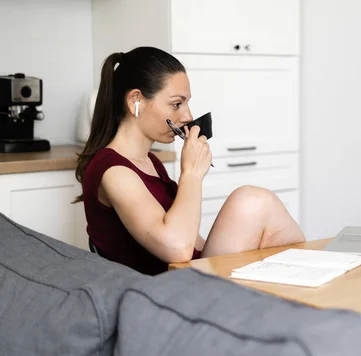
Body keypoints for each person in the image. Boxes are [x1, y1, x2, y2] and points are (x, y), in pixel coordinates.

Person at [74, 47, 305, 275]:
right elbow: (177, 248)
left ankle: (307, 281)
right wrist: (192, 174)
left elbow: (194, 241)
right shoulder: (113, 171)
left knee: (259, 205)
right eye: (176, 104)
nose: (188, 117)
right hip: (165, 292)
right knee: (250, 201)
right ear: (136, 100)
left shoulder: (151, 162)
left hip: (190, 275)